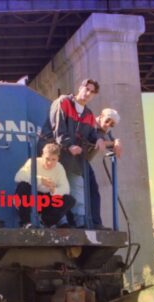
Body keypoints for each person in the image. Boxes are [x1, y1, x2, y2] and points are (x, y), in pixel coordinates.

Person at [49, 78, 106, 228]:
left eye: (92, 92)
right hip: (58, 155)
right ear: (80, 87)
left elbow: (92, 133)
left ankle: (80, 223)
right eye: (87, 89)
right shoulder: (63, 102)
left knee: (77, 187)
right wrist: (69, 145)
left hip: (74, 159)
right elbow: (57, 129)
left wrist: (99, 139)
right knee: (58, 188)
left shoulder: (88, 114)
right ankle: (60, 221)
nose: (88, 93)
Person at [14, 143, 75, 228]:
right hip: (31, 199)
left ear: (58, 158)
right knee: (23, 186)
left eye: (54, 159)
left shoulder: (59, 167)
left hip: (46, 199)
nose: (50, 163)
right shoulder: (33, 162)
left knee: (69, 200)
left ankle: (46, 222)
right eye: (47, 159)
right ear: (42, 156)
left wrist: (54, 190)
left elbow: (66, 188)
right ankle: (26, 222)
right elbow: (18, 177)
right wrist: (40, 180)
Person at [86, 108, 123, 229]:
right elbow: (93, 140)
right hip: (74, 159)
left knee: (94, 192)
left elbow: (111, 142)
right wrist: (114, 143)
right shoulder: (89, 123)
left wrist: (117, 141)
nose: (108, 125)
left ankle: (96, 224)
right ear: (100, 116)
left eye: (112, 124)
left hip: (84, 161)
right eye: (107, 121)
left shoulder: (106, 130)